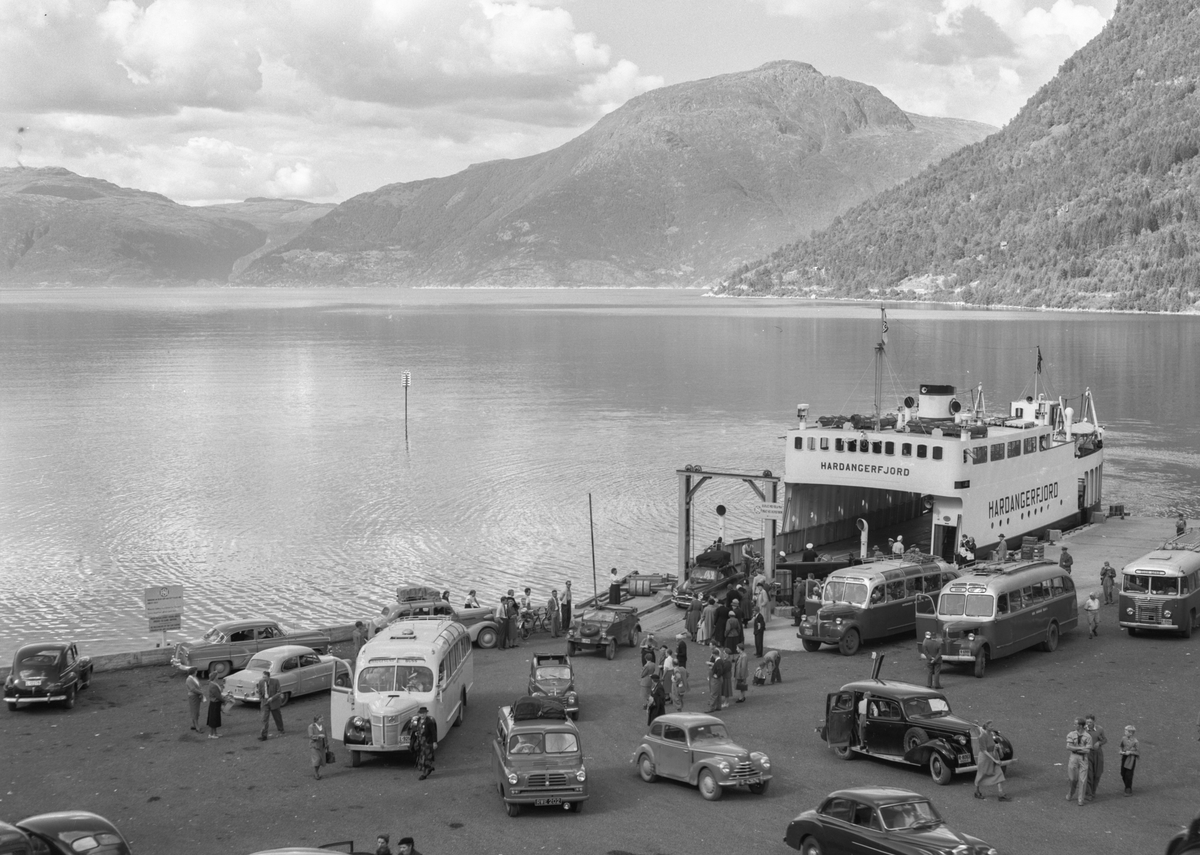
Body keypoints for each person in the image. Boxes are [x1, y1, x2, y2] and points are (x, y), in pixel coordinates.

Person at [972, 721, 1010, 800]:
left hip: (992, 755)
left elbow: (990, 745)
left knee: (998, 772)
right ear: (987, 727)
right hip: (984, 758)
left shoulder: (990, 734)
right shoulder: (982, 736)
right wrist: (994, 760)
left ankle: (1001, 794)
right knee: (981, 774)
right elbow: (983, 750)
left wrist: (995, 747)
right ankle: (977, 791)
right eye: (991, 726)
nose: (993, 727)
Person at [1066, 717, 1092, 805]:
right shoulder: (1071, 734)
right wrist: (1081, 748)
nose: (1074, 725)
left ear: (1080, 726)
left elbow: (1087, 750)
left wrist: (1075, 748)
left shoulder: (1088, 736)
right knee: (1072, 778)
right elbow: (1068, 747)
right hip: (1073, 757)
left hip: (1083, 758)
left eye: (1076, 724)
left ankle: (1081, 799)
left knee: (1083, 779)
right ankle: (1071, 792)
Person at [256, 669, 286, 740]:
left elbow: (279, 692)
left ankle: (281, 729)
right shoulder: (261, 682)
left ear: (269, 677)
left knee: (277, 717)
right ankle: (264, 735)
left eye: (265, 677)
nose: (264, 679)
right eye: (263, 677)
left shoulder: (275, 681)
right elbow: (259, 691)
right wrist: (261, 698)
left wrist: (272, 698)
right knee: (264, 719)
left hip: (274, 702)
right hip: (265, 702)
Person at [410, 706, 437, 780]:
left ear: (426, 714)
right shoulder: (418, 720)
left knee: (426, 757)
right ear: (419, 714)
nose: (422, 715)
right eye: (421, 714)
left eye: (424, 713)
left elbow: (433, 733)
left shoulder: (429, 722)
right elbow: (416, 728)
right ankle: (429, 768)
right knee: (421, 756)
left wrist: (434, 742)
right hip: (420, 742)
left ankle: (424, 774)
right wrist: (416, 733)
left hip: (427, 742)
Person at [1084, 714, 1106, 801]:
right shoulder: (1083, 730)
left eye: (1090, 722)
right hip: (1088, 754)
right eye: (1087, 722)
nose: (1088, 724)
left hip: (1097, 753)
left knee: (1097, 774)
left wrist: (1099, 743)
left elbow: (1104, 739)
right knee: (1089, 774)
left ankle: (1093, 792)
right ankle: (1088, 794)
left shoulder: (1099, 729)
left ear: (1094, 722)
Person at [705, 645, 728, 712]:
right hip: (719, 679)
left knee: (714, 693)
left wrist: (717, 675)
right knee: (718, 693)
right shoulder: (720, 661)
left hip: (716, 680)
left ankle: (711, 708)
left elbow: (720, 670)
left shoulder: (717, 662)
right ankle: (718, 706)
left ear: (714, 655)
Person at [1118, 725, 1139, 795]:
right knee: (1123, 773)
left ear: (1131, 733)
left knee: (1129, 774)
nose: (1125, 732)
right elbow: (1121, 746)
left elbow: (1138, 752)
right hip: (1124, 757)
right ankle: (1127, 784)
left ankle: (1128, 788)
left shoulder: (1135, 742)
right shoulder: (1123, 739)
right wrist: (1121, 751)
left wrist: (1130, 752)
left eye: (1126, 731)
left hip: (1131, 759)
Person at [185, 667, 204, 732]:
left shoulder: (194, 678)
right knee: (195, 711)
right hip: (193, 696)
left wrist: (200, 691)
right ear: (193, 672)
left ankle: (194, 725)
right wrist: (201, 692)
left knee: (195, 710)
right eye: (196, 671)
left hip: (196, 696)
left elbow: (199, 685)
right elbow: (192, 689)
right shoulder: (189, 680)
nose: (197, 672)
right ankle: (197, 727)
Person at [308, 714, 327, 780]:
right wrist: (318, 736)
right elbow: (310, 736)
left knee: (320, 759)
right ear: (317, 720)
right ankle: (316, 773)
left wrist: (327, 744)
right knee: (317, 759)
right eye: (321, 719)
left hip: (321, 745)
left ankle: (317, 771)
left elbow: (326, 736)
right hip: (314, 745)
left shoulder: (323, 726)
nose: (322, 720)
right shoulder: (311, 727)